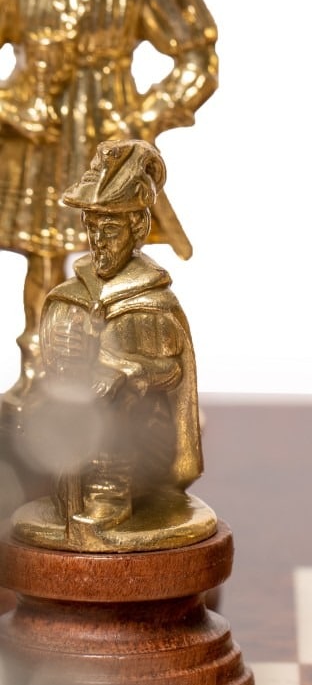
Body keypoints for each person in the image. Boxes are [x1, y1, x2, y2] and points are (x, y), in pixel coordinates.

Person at [0, 0, 218, 416]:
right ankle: (39, 371)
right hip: (38, 142)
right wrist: (12, 107)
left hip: (111, 146)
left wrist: (146, 116)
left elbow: (197, 56)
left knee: (118, 254)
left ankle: (123, 373)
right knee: (42, 257)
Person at [17, 139, 208, 551]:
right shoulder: (72, 295)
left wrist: (126, 371)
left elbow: (173, 370)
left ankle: (111, 496)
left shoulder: (150, 303)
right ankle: (66, 490)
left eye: (110, 230)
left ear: (137, 228)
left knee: (112, 403)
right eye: (91, 228)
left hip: (140, 443)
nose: (98, 241)